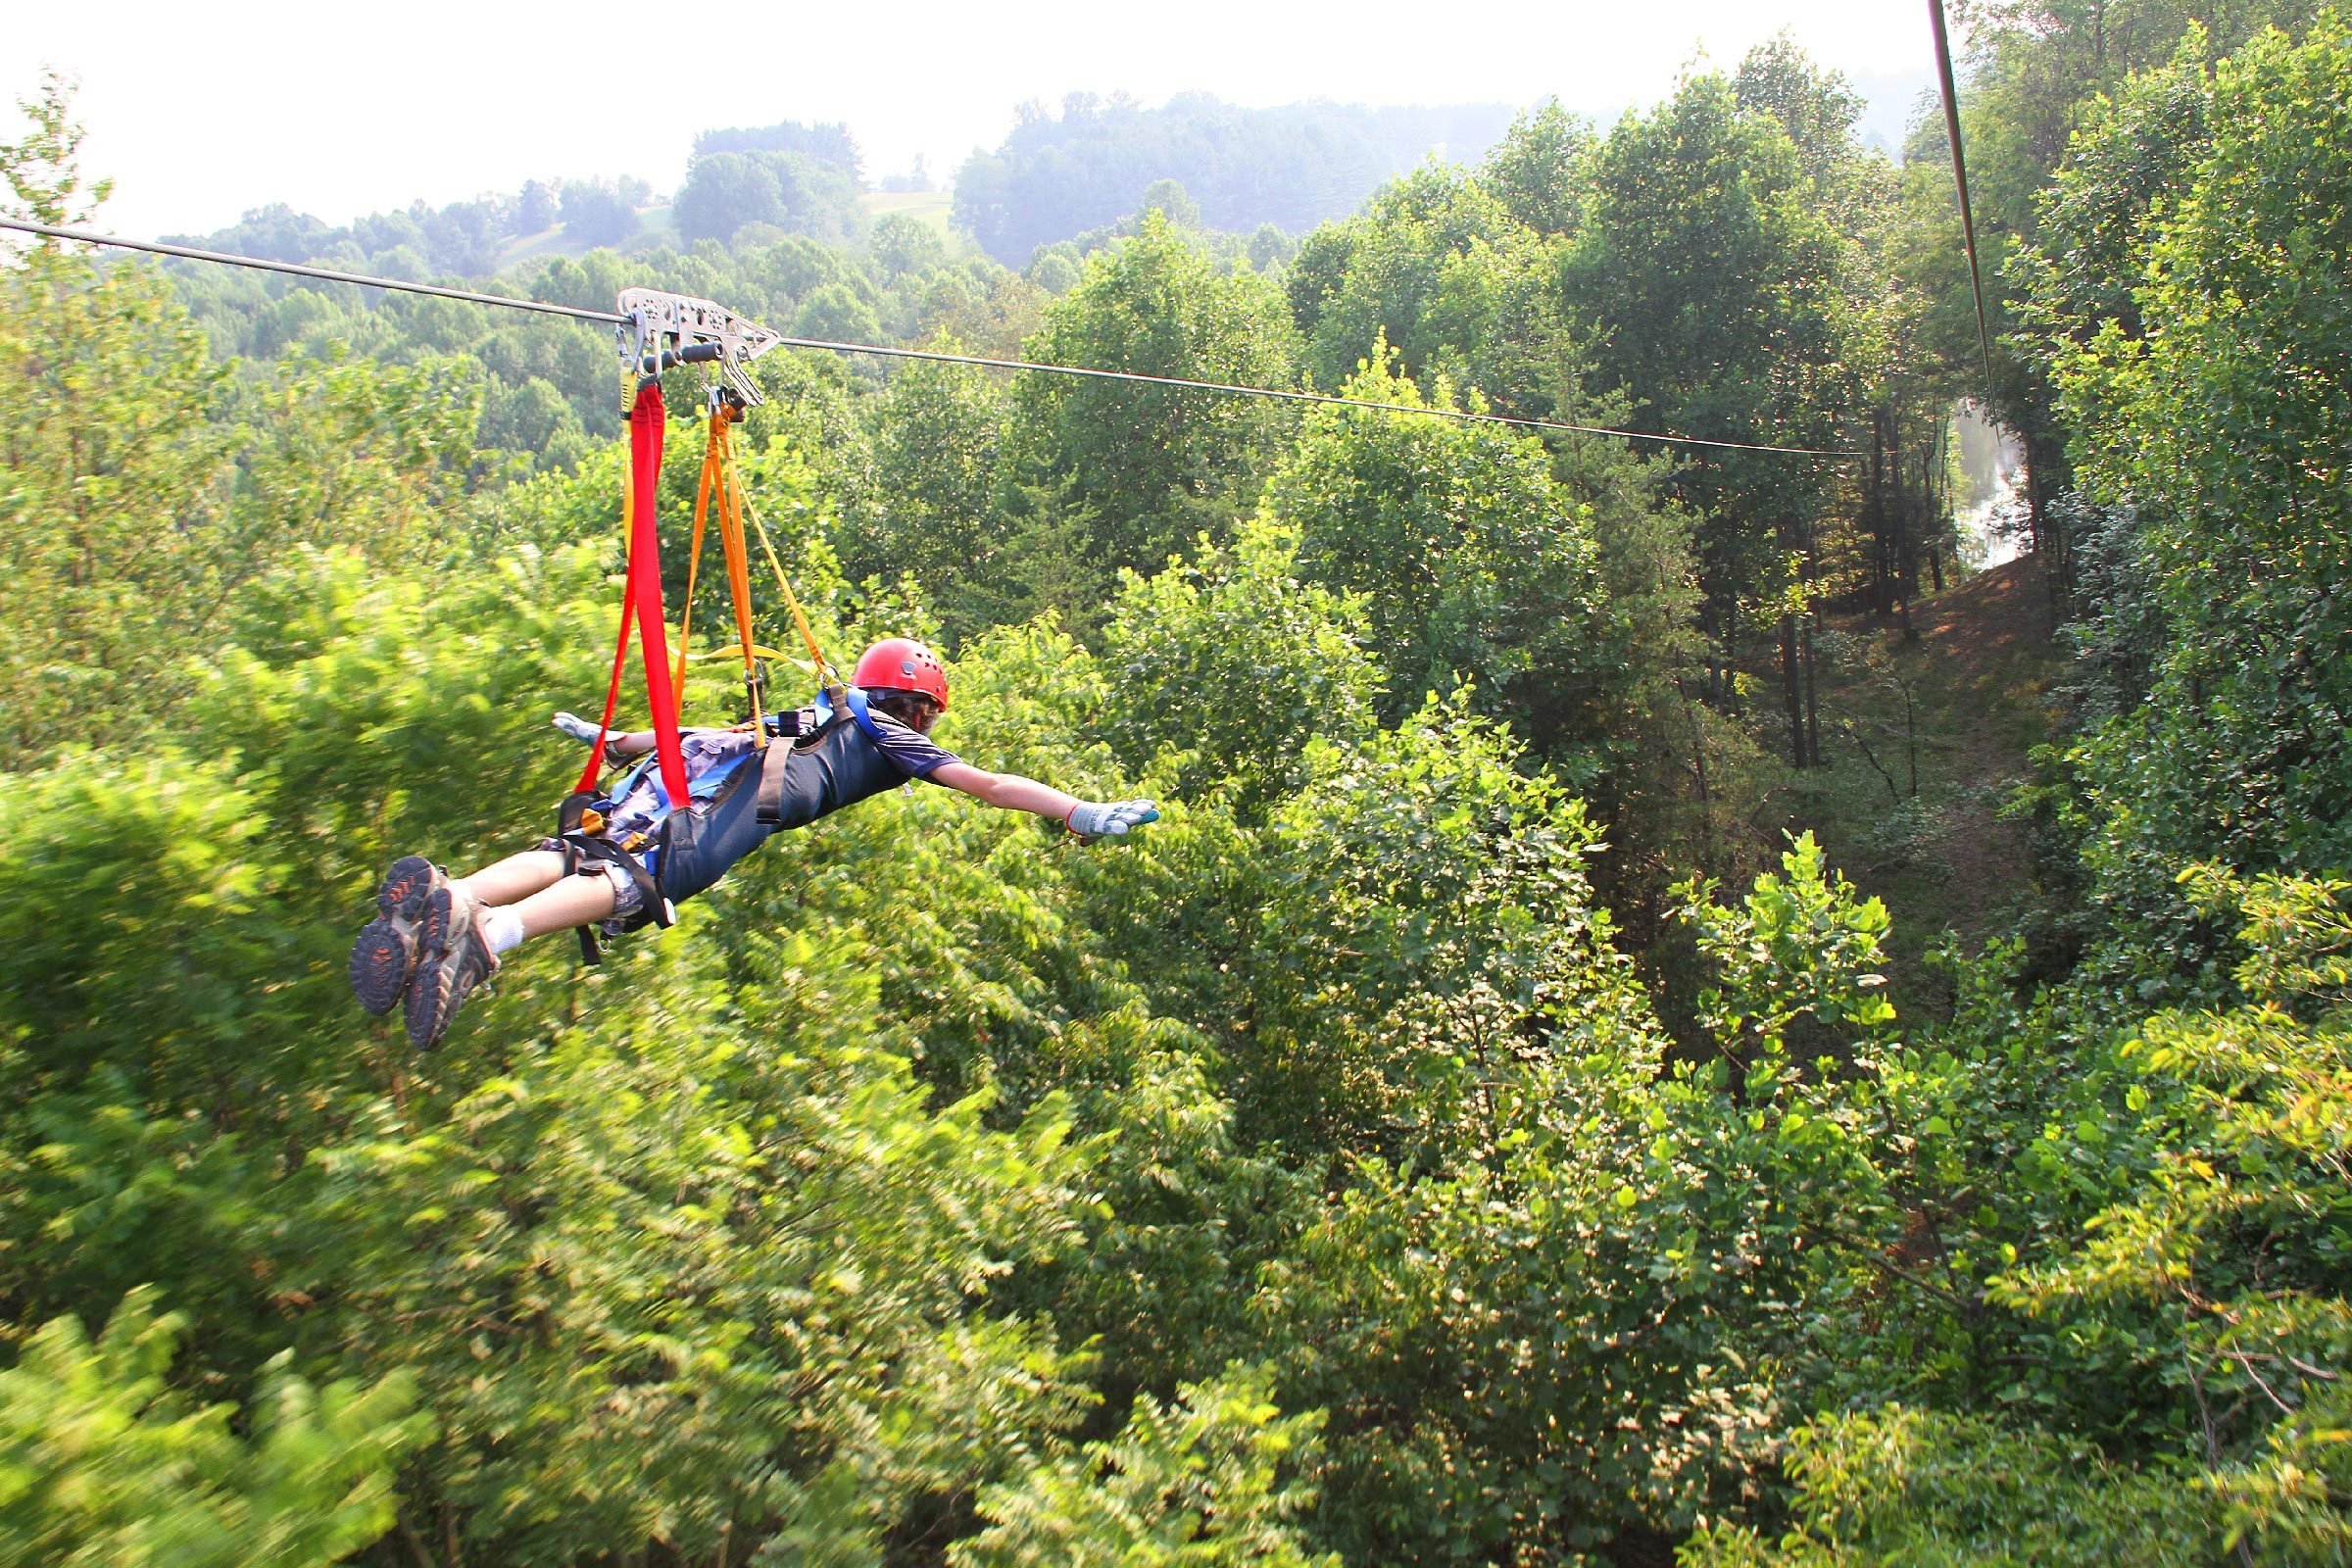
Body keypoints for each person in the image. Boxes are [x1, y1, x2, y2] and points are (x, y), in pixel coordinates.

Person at [349, 637, 1158, 1050]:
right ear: (914, 705)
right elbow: (987, 783)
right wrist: (1075, 810)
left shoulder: (820, 708)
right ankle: (487, 937)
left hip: (689, 769)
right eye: (929, 715)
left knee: (580, 846)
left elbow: (713, 731)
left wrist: (623, 741)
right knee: (639, 877)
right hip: (734, 799)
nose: (929, 730)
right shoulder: (887, 737)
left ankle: (456, 900)